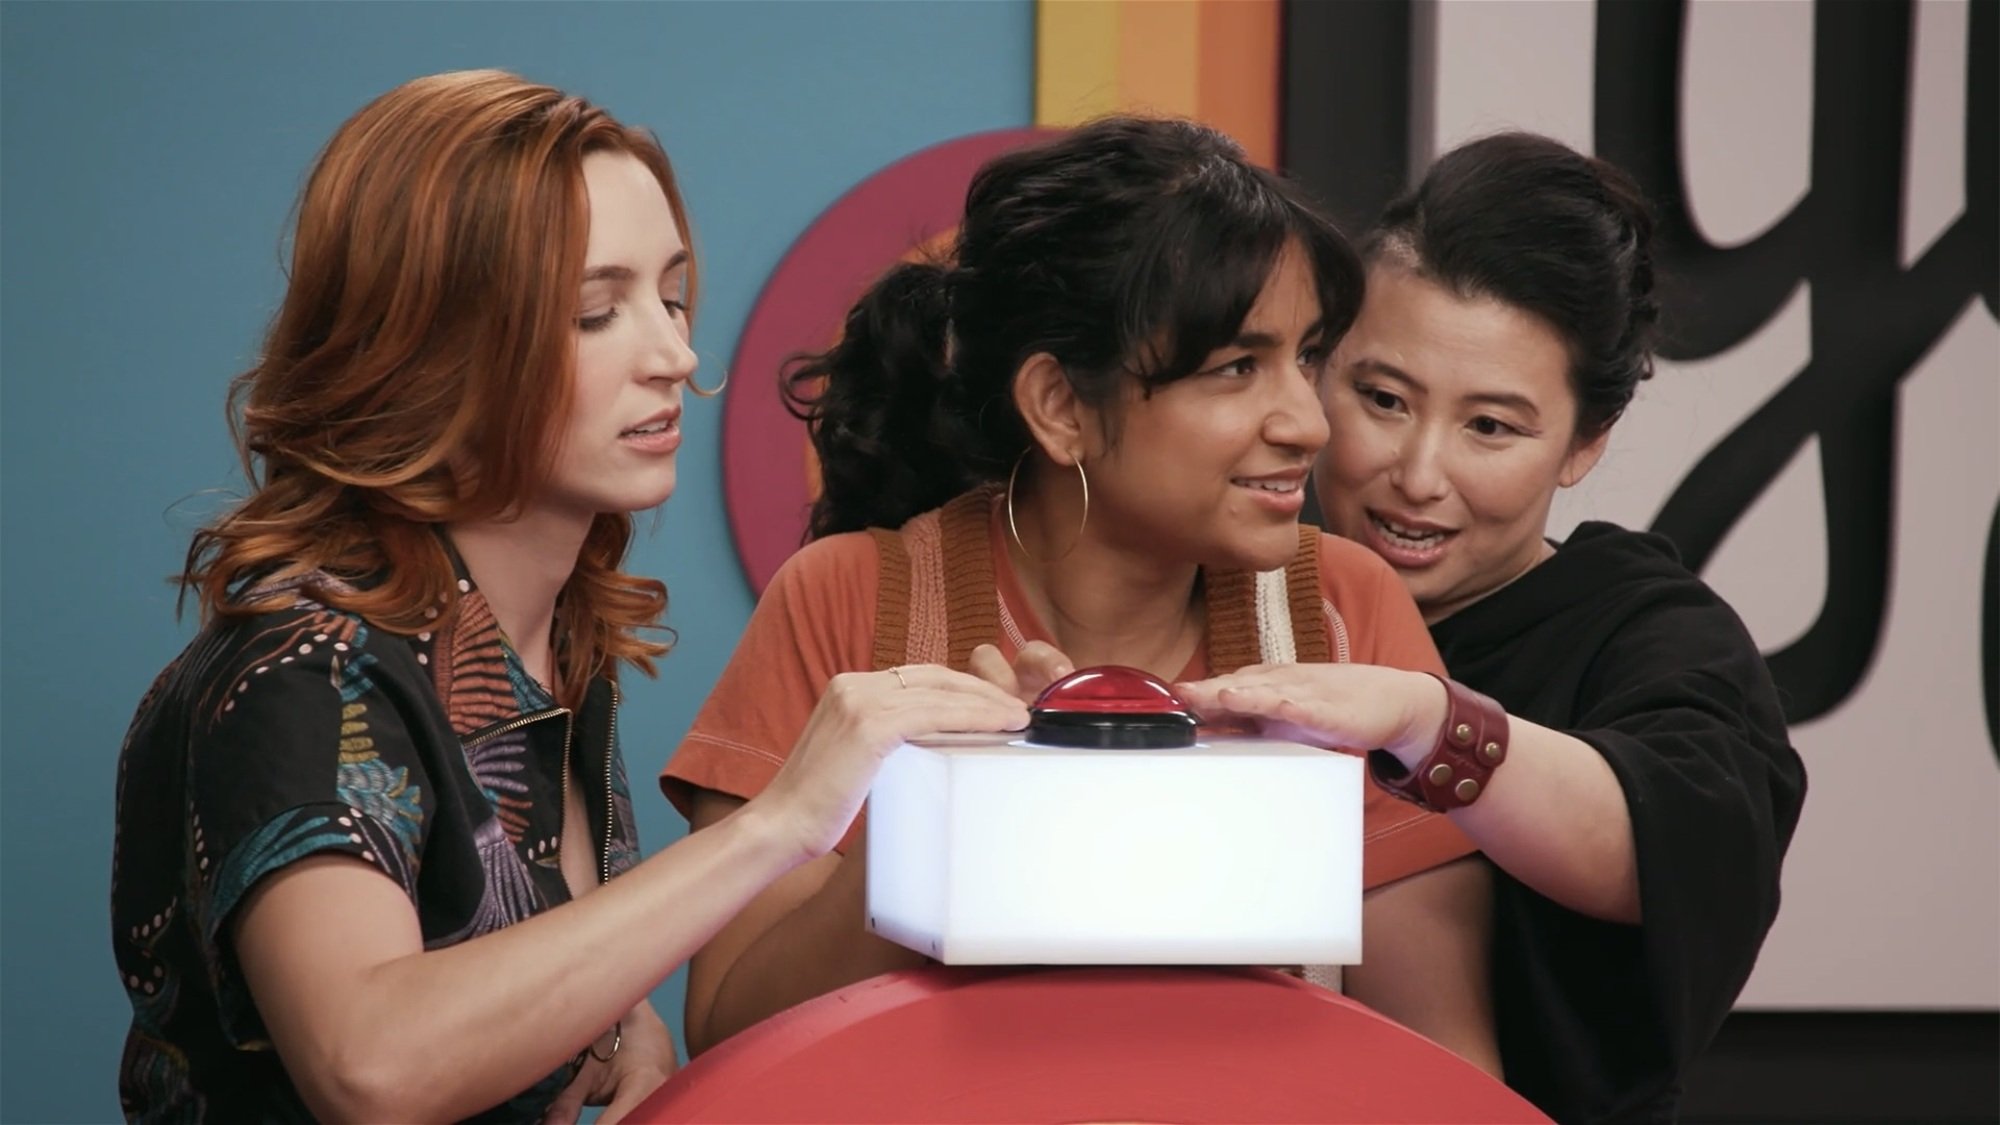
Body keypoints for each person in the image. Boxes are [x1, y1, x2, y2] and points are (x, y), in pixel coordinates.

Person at [109, 69, 1027, 1124]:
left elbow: (514, 964)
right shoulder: (308, 666)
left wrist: (615, 1018)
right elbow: (372, 1062)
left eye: (672, 299)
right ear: (429, 347)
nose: (676, 357)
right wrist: (777, 823)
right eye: (595, 314)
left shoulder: (550, 650)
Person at [661, 116, 1499, 1071]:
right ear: (1059, 407)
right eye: (1236, 368)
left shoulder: (1344, 610)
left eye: (1307, 358)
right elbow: (730, 1035)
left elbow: (1445, 1065)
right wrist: (947, 820)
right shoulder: (850, 597)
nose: (1308, 422)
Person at [1178, 132, 1808, 1123]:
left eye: (1490, 427)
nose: (1418, 474)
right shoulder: (1218, 575)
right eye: (1381, 399)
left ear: (1582, 444)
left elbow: (1665, 842)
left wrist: (1423, 724)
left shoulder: (1649, 633)